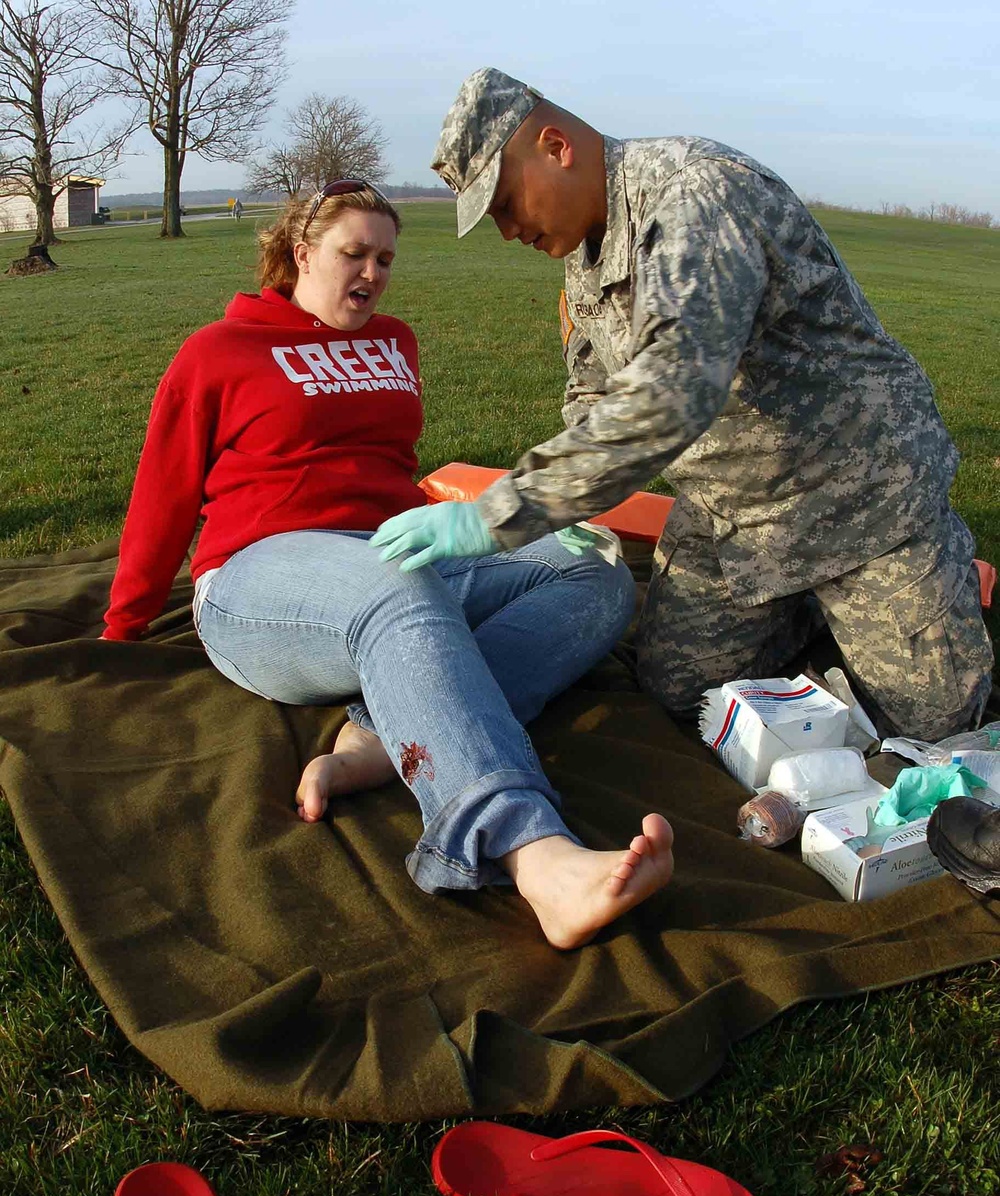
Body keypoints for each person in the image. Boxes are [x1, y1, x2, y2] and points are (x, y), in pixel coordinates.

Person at [100, 179, 674, 949]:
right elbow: (162, 494)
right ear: (302, 254)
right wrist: (122, 626)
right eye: (353, 254)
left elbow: (383, 468)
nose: (371, 273)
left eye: (386, 259)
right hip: (260, 583)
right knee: (393, 585)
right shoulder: (220, 351)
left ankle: (383, 737)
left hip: (392, 561)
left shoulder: (393, 341)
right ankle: (533, 853)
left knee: (596, 571)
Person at [386, 67, 993, 743]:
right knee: (679, 691)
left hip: (862, 503)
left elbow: (672, 392)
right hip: (732, 513)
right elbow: (594, 391)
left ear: (555, 147)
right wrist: (571, 504)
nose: (506, 230)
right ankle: (809, 614)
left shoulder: (698, 197)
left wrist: (505, 513)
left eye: (504, 203)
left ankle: (890, 590)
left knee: (933, 733)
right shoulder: (584, 250)